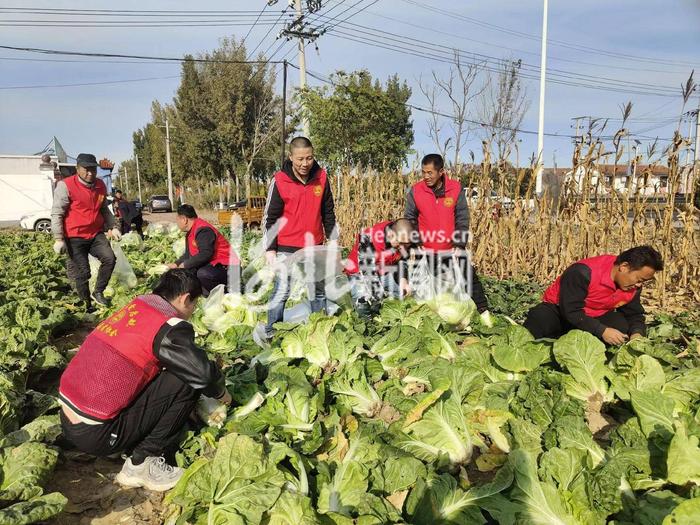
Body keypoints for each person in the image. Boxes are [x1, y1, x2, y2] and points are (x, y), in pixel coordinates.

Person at [58, 270, 231, 491]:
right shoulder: (168, 325)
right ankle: (142, 462)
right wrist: (220, 392)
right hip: (96, 434)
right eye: (194, 304)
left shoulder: (137, 306)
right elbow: (202, 374)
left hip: (69, 421)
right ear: (185, 298)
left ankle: (121, 441)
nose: (193, 311)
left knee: (162, 367)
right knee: (186, 378)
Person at [262, 136, 337, 337]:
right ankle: (271, 332)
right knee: (281, 291)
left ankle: (321, 330)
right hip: (286, 246)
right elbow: (271, 217)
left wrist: (334, 240)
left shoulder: (321, 177)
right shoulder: (280, 180)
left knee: (318, 291)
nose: (305, 164)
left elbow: (328, 211)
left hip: (315, 245)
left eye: (309, 158)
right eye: (300, 159)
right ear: (291, 157)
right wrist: (270, 249)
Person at [523, 246, 663, 344]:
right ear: (624, 267)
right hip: (561, 312)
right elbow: (571, 311)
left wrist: (637, 333)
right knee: (540, 318)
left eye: (643, 282)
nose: (639, 285)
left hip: (594, 315)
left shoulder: (633, 286)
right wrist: (601, 331)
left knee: (622, 329)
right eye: (639, 280)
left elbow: (634, 314)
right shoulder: (582, 272)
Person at [404, 153, 488, 312]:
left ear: (440, 171)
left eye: (430, 172)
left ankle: (483, 312)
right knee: (427, 288)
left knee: (469, 279)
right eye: (423, 172)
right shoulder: (416, 191)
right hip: (426, 250)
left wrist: (460, 244)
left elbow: (462, 218)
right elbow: (410, 219)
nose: (426, 176)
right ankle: (432, 317)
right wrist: (417, 242)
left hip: (451, 249)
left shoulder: (455, 188)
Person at [51, 153, 121, 310]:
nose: (90, 173)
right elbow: (57, 213)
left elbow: (104, 210)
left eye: (93, 169)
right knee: (83, 272)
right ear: (77, 168)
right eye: (86, 169)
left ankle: (98, 292)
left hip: (95, 233)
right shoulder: (66, 186)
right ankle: (86, 304)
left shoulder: (100, 185)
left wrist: (113, 226)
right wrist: (58, 238)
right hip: (74, 236)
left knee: (109, 258)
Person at [344, 218, 416, 316]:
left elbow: (402, 260)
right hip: (359, 272)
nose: (403, 248)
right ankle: (367, 326)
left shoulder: (403, 238)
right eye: (401, 244)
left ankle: (393, 321)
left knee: (399, 296)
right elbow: (368, 274)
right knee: (363, 302)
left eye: (407, 244)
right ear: (391, 235)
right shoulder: (367, 239)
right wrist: (379, 298)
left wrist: (404, 281)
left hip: (383, 269)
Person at [167, 204, 240, 295]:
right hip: (215, 265)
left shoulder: (203, 230)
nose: (177, 223)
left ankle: (226, 293)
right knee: (187, 271)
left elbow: (206, 253)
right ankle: (205, 291)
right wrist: (176, 264)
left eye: (177, 220)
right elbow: (188, 254)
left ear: (184, 219)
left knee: (203, 273)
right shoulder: (191, 232)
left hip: (229, 267)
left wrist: (184, 265)